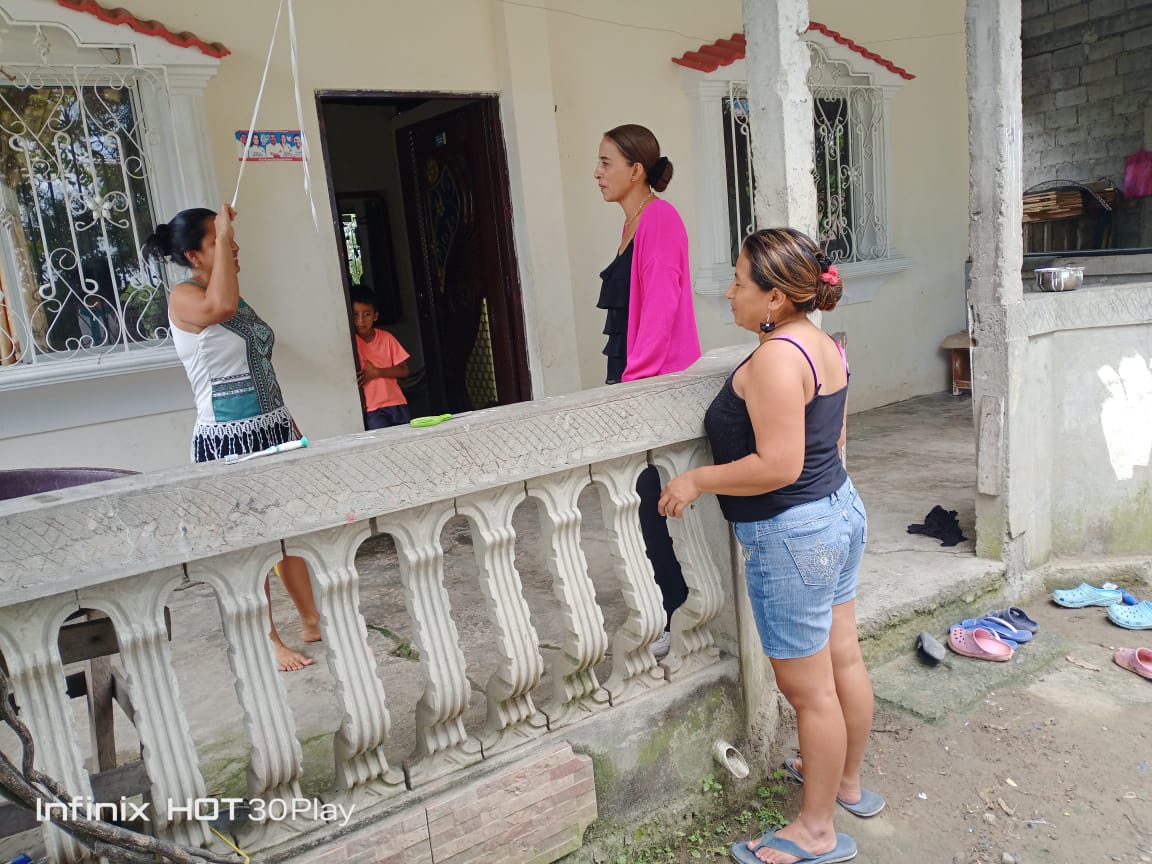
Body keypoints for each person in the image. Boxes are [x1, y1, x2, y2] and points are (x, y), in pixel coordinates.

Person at [659, 228, 875, 864]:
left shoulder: (778, 359)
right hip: (838, 511)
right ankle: (846, 784)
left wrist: (698, 479)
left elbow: (779, 465)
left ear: (775, 297)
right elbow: (830, 440)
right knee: (843, 660)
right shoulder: (822, 345)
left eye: (738, 282)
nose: (728, 293)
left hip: (794, 533)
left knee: (810, 692)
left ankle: (816, 831)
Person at [143, 206, 321, 673]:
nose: (234, 246)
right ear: (193, 255)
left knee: (289, 533)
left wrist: (290, 425)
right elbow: (218, 308)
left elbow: (259, 363)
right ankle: (267, 640)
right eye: (220, 240)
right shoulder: (184, 296)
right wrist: (223, 236)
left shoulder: (234, 296)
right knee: (253, 545)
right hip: (229, 439)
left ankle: (311, 620)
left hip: (272, 427)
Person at [593, 124, 700, 658]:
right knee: (643, 503)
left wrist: (634, 389)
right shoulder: (633, 222)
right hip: (636, 380)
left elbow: (660, 307)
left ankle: (675, 612)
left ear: (637, 170)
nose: (597, 173)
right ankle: (670, 606)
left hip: (652, 386)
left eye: (606, 162)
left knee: (650, 505)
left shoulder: (659, 218)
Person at [350, 286, 411, 429]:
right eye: (355, 314)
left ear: (375, 316)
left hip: (397, 403)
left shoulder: (387, 338)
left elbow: (404, 371)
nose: (360, 320)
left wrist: (377, 372)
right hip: (373, 409)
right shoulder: (351, 343)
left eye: (367, 314)